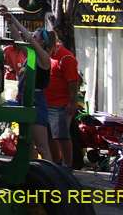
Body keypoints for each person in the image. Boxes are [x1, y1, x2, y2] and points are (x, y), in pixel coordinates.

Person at [0, 5, 52, 161]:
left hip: (36, 102)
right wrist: (9, 21)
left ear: (42, 42)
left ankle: (50, 175)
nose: (32, 38)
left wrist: (15, 18)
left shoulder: (44, 59)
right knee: (27, 143)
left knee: (42, 146)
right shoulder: (30, 55)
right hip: (25, 101)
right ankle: (31, 173)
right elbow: (18, 39)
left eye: (36, 37)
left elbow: (27, 39)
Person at [44, 29, 79, 168]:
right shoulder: (47, 55)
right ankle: (55, 163)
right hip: (46, 103)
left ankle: (67, 166)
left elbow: (74, 80)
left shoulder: (65, 57)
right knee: (49, 136)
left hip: (60, 104)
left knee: (62, 136)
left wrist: (72, 102)